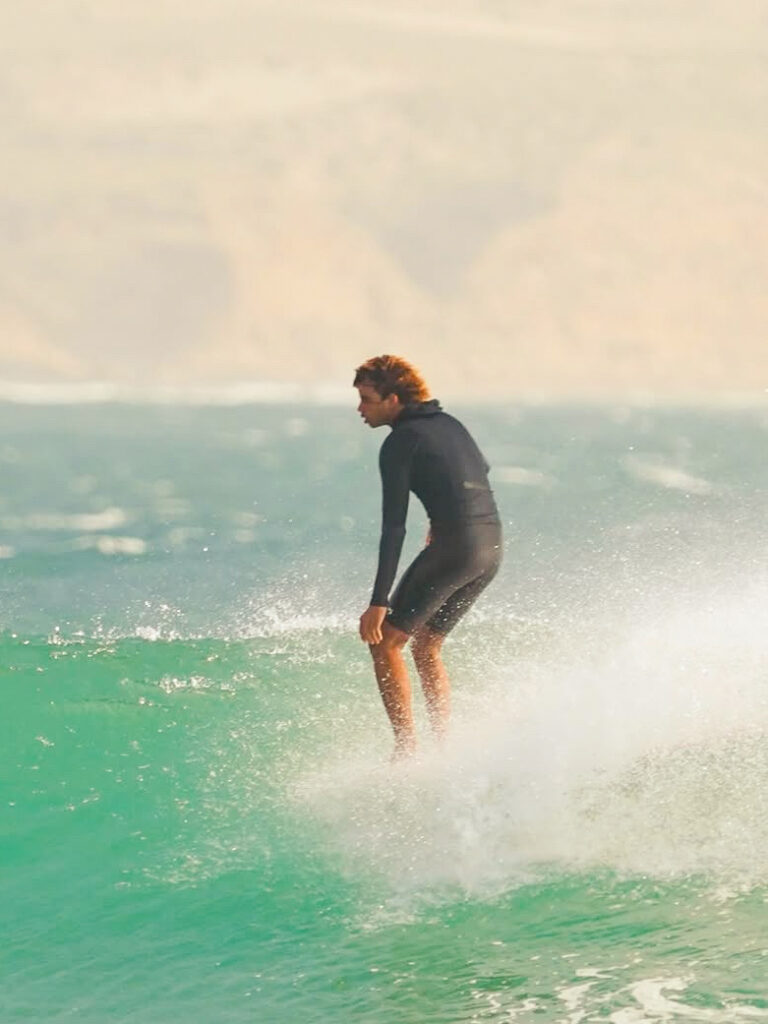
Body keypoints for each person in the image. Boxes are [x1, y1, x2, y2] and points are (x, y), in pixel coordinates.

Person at [354, 354, 502, 757]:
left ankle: (406, 751)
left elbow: (394, 527)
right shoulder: (450, 424)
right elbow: (481, 469)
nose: (360, 409)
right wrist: (447, 515)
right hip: (490, 546)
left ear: (393, 399)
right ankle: (443, 747)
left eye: (367, 399)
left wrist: (379, 602)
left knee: (385, 643)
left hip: (455, 548)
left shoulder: (400, 442)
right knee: (427, 644)